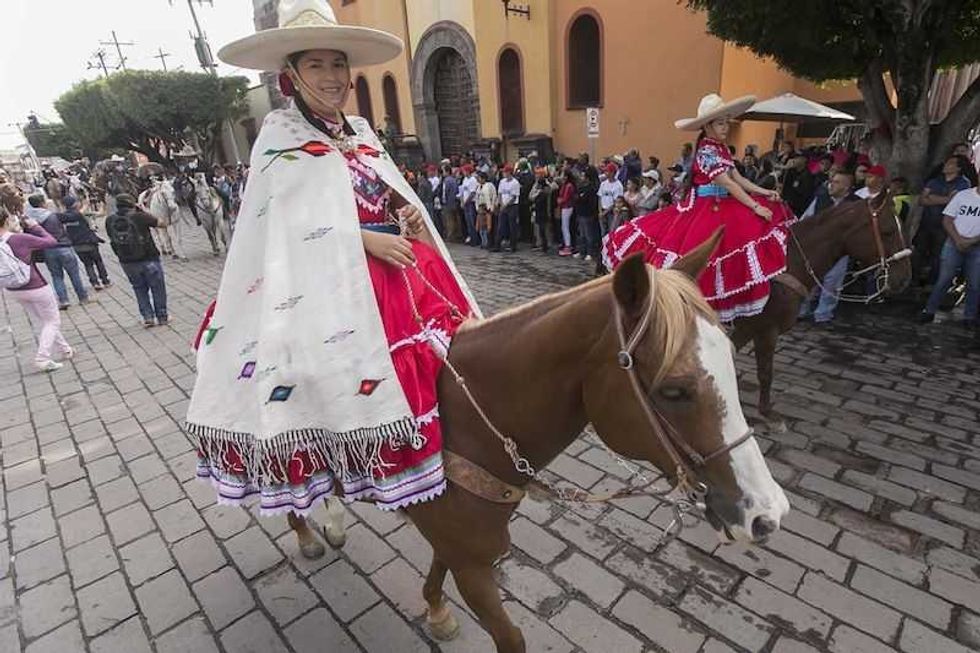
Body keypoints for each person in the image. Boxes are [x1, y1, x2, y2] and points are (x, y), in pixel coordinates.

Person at [190, 0, 481, 522]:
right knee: (311, 371)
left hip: (399, 269)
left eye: (338, 64)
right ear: (291, 77)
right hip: (319, 277)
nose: (332, 77)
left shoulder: (363, 131)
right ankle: (334, 473)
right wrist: (364, 241)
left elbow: (384, 191)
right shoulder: (279, 138)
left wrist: (407, 215)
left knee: (448, 355)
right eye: (317, 65)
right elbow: (279, 219)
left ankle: (439, 453)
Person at [603, 93, 792, 321]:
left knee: (742, 238)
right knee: (705, 252)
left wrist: (765, 192)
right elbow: (728, 183)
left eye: (726, 123)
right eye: (720, 123)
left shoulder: (721, 149)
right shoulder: (706, 150)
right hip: (705, 206)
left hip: (723, 203)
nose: (725, 128)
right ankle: (686, 307)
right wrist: (754, 205)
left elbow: (739, 179)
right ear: (708, 126)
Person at [0, 208, 72, 371]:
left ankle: (65, 349)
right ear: (6, 220)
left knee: (45, 320)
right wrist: (34, 226)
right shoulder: (19, 239)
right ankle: (43, 358)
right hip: (35, 285)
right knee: (52, 321)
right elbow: (51, 241)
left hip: (12, 289)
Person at [798, 171, 860, 325]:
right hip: (817, 248)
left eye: (837, 182)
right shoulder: (821, 199)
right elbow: (806, 219)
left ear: (846, 187)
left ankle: (823, 314)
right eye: (832, 180)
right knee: (810, 280)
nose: (831, 184)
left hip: (840, 251)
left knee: (832, 283)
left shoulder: (856, 204)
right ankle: (802, 310)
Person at [919, 183, 980, 328]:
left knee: (975, 284)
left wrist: (972, 241)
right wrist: (958, 239)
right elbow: (947, 219)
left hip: (977, 247)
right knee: (944, 279)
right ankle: (929, 310)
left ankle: (969, 317)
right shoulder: (963, 195)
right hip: (953, 243)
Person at [105, 194, 169, 327]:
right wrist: (144, 211)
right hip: (149, 258)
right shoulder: (140, 216)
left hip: (127, 262)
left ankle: (147, 317)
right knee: (157, 288)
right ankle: (162, 316)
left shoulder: (110, 220)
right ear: (132, 203)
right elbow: (163, 224)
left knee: (139, 288)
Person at [915, 155, 973, 286]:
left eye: (951, 163)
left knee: (938, 255)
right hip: (926, 223)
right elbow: (922, 200)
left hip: (945, 226)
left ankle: (931, 284)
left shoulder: (963, 183)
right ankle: (913, 281)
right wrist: (947, 199)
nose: (946, 165)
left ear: (958, 168)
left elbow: (957, 202)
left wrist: (933, 198)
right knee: (918, 252)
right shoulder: (935, 180)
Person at [28, 194, 90, 310]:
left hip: (47, 251)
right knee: (74, 274)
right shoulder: (53, 216)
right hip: (63, 246)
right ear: (42, 203)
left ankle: (63, 300)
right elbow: (74, 216)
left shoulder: (30, 220)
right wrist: (84, 206)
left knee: (56, 276)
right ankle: (83, 297)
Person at [58, 196, 110, 290]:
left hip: (76, 245)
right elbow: (101, 213)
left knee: (88, 265)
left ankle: (95, 283)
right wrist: (102, 205)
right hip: (89, 242)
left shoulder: (63, 217)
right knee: (98, 262)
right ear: (74, 204)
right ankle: (105, 281)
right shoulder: (82, 214)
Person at [493, 163, 521, 252]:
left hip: (512, 206)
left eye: (505, 172)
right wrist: (501, 204)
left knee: (512, 226)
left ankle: (513, 246)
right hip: (503, 206)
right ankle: (497, 245)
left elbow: (514, 197)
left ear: (509, 172)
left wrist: (505, 205)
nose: (504, 173)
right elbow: (500, 194)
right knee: (500, 226)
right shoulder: (502, 181)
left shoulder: (515, 183)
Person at [529, 167, 557, 252]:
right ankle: (539, 243)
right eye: (536, 174)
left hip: (546, 210)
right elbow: (531, 196)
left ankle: (547, 244)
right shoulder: (536, 185)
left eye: (538, 174)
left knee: (545, 228)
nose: (537, 176)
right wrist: (537, 193)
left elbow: (554, 187)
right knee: (537, 228)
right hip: (536, 209)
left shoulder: (547, 185)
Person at [597, 163, 624, 237]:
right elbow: (600, 197)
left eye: (607, 171)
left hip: (611, 212)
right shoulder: (603, 184)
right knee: (603, 232)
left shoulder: (618, 185)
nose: (606, 173)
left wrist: (605, 212)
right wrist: (600, 211)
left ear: (613, 173)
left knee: (611, 231)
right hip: (602, 210)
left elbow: (616, 201)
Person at [556, 168, 576, 256]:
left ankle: (568, 246)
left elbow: (565, 198)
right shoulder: (566, 185)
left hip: (567, 207)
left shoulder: (568, 186)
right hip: (565, 207)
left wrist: (559, 201)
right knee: (564, 226)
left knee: (565, 227)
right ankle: (567, 244)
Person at [476, 170, 497, 249]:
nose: (479, 180)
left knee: (489, 226)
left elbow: (493, 196)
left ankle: (489, 242)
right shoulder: (478, 187)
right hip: (481, 207)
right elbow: (477, 197)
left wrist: (491, 207)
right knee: (481, 226)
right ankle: (483, 242)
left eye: (480, 178)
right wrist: (477, 207)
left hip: (488, 207)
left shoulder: (490, 185)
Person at [459, 163, 479, 245]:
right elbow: (462, 191)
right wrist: (462, 201)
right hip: (465, 203)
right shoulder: (464, 179)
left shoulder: (473, 180)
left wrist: (466, 202)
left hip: (471, 203)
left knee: (472, 221)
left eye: (464, 171)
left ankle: (476, 239)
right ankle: (471, 238)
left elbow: (472, 193)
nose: (463, 172)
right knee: (468, 222)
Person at [439, 165, 460, 241]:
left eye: (443, 171)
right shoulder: (453, 179)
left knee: (449, 220)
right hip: (454, 201)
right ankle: (456, 234)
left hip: (448, 202)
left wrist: (444, 200)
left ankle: (450, 235)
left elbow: (445, 192)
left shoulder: (447, 180)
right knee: (455, 219)